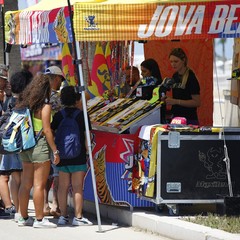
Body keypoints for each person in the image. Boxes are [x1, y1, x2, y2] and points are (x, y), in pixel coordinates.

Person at [17, 73, 60, 228]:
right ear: (46, 89)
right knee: (39, 185)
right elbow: (47, 131)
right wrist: (55, 150)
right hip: (39, 144)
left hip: (25, 144)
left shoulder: (25, 104)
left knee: (25, 183)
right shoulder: (45, 106)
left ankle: (23, 217)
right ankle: (40, 220)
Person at [51, 86, 93, 226]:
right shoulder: (82, 115)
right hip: (78, 155)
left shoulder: (58, 115)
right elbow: (88, 136)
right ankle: (78, 217)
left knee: (62, 187)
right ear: (77, 99)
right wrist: (88, 151)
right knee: (77, 187)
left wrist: (55, 149)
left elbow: (51, 132)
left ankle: (63, 216)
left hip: (62, 156)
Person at [0, 70, 33, 222]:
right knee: (22, 178)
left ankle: (17, 212)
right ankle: (21, 211)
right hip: (22, 143)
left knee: (14, 178)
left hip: (9, 142)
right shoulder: (27, 102)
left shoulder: (9, 100)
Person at [43, 66, 64, 217]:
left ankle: (44, 205)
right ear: (57, 78)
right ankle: (55, 204)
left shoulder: (39, 96)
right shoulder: (57, 97)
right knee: (56, 173)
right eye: (60, 80)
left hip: (41, 139)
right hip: (55, 137)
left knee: (45, 173)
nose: (61, 83)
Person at [165, 48, 201, 125]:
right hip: (176, 118)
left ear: (183, 60)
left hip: (189, 119)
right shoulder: (175, 76)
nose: (173, 64)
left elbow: (197, 102)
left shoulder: (191, 77)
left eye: (176, 61)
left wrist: (176, 101)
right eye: (171, 61)